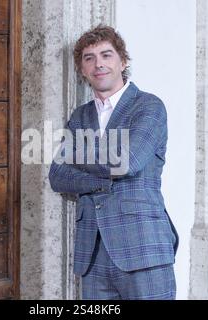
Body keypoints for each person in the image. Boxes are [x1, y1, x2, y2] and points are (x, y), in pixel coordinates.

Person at [49, 25, 179, 300]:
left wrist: (79, 154)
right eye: (89, 58)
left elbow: (128, 161)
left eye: (106, 55)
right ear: (82, 70)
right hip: (93, 255)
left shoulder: (149, 107)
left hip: (143, 249)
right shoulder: (80, 116)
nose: (98, 64)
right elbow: (58, 175)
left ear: (123, 61)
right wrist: (102, 178)